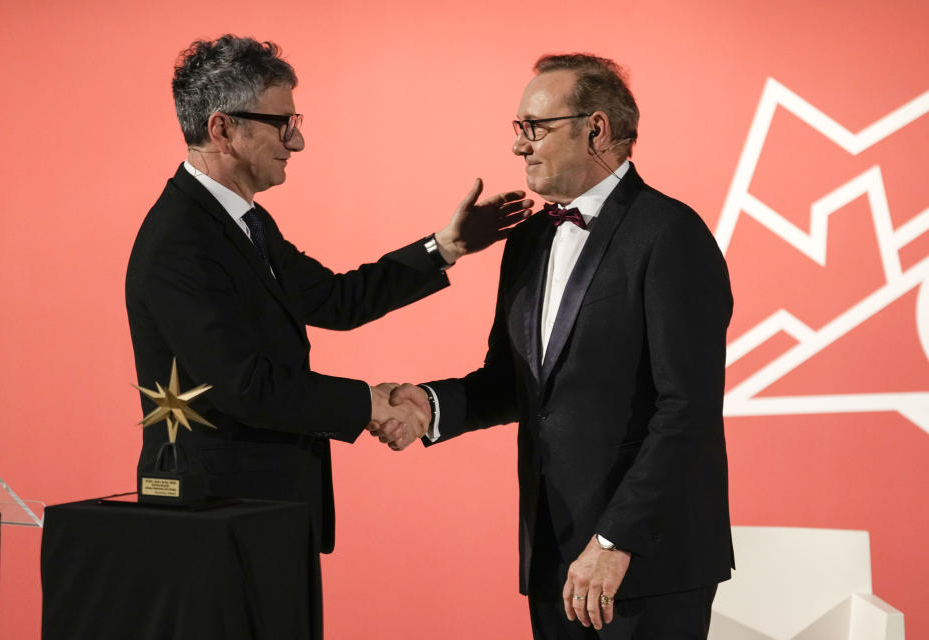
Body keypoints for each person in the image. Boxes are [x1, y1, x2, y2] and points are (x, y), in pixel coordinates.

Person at [125, 35, 530, 558]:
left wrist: (445, 246)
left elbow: (337, 300)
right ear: (222, 129)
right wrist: (367, 403)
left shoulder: (243, 223)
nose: (296, 144)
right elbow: (244, 386)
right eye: (282, 124)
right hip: (214, 521)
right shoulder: (178, 241)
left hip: (262, 511)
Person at [376, 54, 734, 639]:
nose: (519, 146)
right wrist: (429, 405)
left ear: (595, 128)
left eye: (534, 128)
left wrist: (615, 541)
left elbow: (687, 411)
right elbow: (513, 384)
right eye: (517, 129)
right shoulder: (528, 240)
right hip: (553, 555)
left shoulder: (670, 235)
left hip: (646, 563)